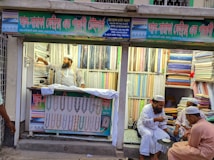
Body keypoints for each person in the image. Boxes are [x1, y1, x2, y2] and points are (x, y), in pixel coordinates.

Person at [137, 95, 170, 160]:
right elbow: (145, 122)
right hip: (144, 126)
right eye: (160, 105)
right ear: (154, 103)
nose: (162, 107)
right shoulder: (146, 108)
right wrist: (155, 119)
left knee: (166, 137)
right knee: (148, 135)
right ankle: (142, 155)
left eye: (162, 105)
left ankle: (155, 156)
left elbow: (163, 121)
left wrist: (165, 130)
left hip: (154, 127)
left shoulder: (161, 109)